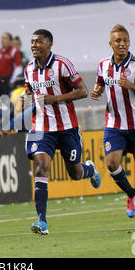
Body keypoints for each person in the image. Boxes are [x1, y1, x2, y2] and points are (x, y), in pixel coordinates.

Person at [22, 29, 101, 235]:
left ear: (49, 44)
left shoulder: (62, 65)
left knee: (74, 173)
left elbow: (83, 91)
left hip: (66, 128)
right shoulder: (29, 68)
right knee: (41, 166)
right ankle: (42, 222)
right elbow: (30, 90)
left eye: (38, 42)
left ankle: (90, 170)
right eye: (32, 42)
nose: (33, 46)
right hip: (41, 128)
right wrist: (25, 96)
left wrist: (54, 99)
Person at [91, 24, 135, 224]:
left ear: (129, 43)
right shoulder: (103, 64)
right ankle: (131, 193)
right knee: (112, 163)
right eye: (118, 41)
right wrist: (97, 91)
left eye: (125, 41)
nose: (122, 44)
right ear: (111, 44)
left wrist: (132, 86)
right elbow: (100, 83)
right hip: (114, 124)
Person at [0, 32, 22, 96]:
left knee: (7, 99)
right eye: (2, 38)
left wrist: (12, 80)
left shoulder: (14, 51)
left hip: (8, 80)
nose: (2, 40)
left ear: (10, 41)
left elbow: (18, 68)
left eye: (5, 38)